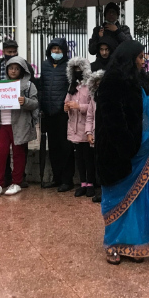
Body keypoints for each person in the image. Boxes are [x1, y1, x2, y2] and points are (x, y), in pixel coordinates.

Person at [95, 41, 149, 264]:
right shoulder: (112, 81)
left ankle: (133, 243)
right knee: (117, 198)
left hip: (144, 149)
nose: (143, 61)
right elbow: (112, 119)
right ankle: (113, 244)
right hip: (120, 152)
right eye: (139, 57)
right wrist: (127, 146)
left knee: (140, 199)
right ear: (128, 58)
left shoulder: (141, 79)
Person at [0, 56, 38, 198]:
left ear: (22, 70)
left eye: (16, 68)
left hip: (20, 125)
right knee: (0, 153)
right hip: (2, 125)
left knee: (18, 153)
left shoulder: (28, 85)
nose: (13, 71)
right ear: (7, 70)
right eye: (11, 68)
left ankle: (17, 182)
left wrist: (25, 101)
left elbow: (35, 103)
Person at [39, 37, 75, 191]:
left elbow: (73, 87)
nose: (56, 52)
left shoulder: (69, 66)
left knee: (66, 147)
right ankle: (56, 178)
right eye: (54, 49)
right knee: (53, 148)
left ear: (64, 51)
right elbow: (42, 86)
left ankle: (67, 180)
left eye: (59, 49)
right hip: (48, 113)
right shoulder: (45, 65)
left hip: (63, 113)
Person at [0, 39, 20, 187]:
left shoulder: (23, 65)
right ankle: (4, 178)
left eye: (14, 52)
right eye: (9, 52)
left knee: (20, 150)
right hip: (1, 115)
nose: (12, 54)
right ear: (3, 52)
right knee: (1, 151)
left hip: (19, 116)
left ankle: (19, 178)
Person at [65, 57, 95, 197]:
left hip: (86, 128)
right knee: (79, 159)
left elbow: (93, 106)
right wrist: (67, 106)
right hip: (74, 128)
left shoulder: (90, 87)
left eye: (80, 70)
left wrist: (79, 106)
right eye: (75, 70)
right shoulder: (72, 86)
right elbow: (67, 101)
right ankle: (83, 183)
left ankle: (91, 183)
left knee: (89, 158)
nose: (77, 72)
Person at [85, 69, 105, 203]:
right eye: (96, 83)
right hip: (95, 134)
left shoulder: (111, 97)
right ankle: (99, 189)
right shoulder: (93, 99)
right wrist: (89, 133)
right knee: (97, 163)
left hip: (106, 136)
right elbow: (90, 117)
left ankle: (106, 190)